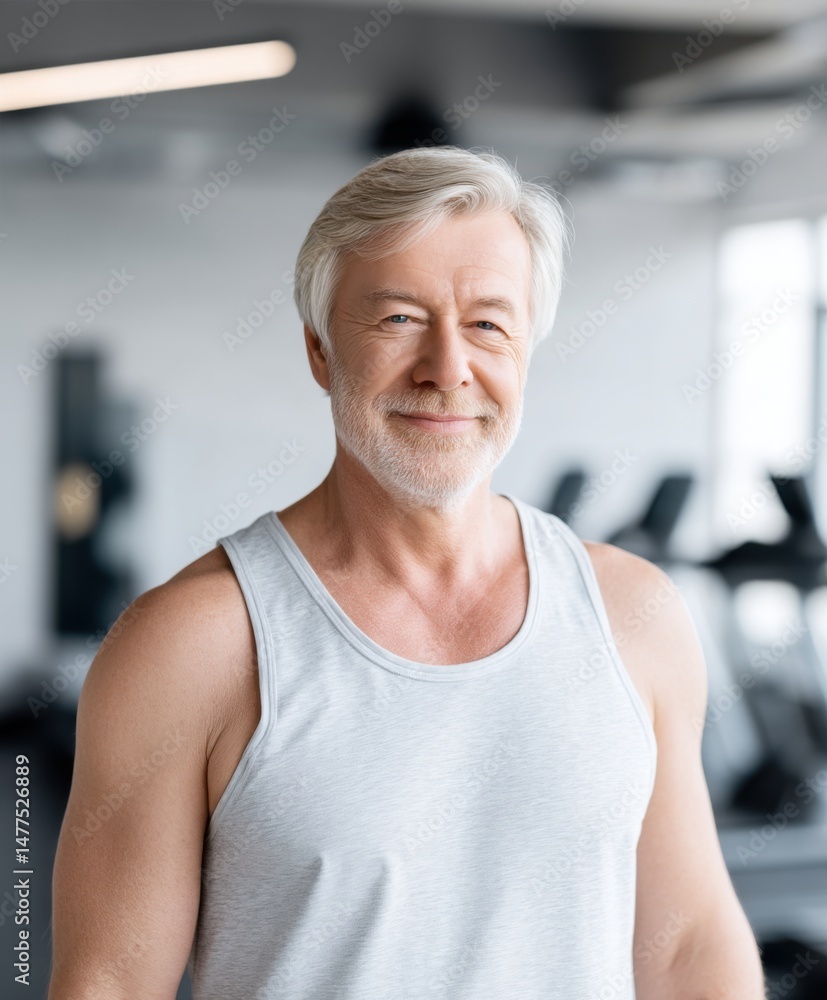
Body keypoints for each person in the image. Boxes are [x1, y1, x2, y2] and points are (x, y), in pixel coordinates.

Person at [48, 145, 765, 999]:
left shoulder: (634, 615)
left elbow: (687, 950)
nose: (447, 367)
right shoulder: (192, 644)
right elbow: (109, 984)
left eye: (489, 324)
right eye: (396, 320)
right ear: (319, 351)